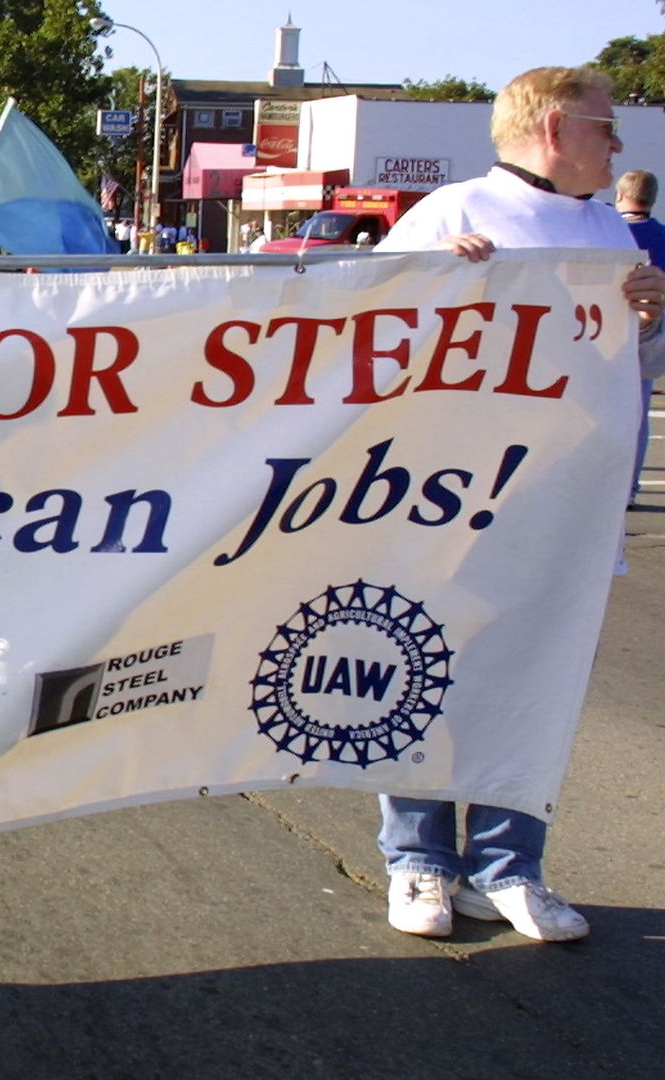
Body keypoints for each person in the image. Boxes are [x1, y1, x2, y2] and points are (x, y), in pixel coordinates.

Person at [374, 65, 665, 944]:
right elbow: (363, 333)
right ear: (553, 127)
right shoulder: (451, 212)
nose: (618, 145)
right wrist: (427, 279)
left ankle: (508, 867)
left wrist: (652, 321)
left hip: (564, 502)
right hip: (449, 496)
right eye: (605, 127)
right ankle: (419, 859)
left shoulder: (608, 229)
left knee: (536, 680)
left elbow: (631, 372)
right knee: (424, 669)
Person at [617, 169, 665, 506]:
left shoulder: (607, 232)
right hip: (647, 329)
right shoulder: (661, 236)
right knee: (638, 413)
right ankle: (629, 488)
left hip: (602, 329)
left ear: (621, 195)